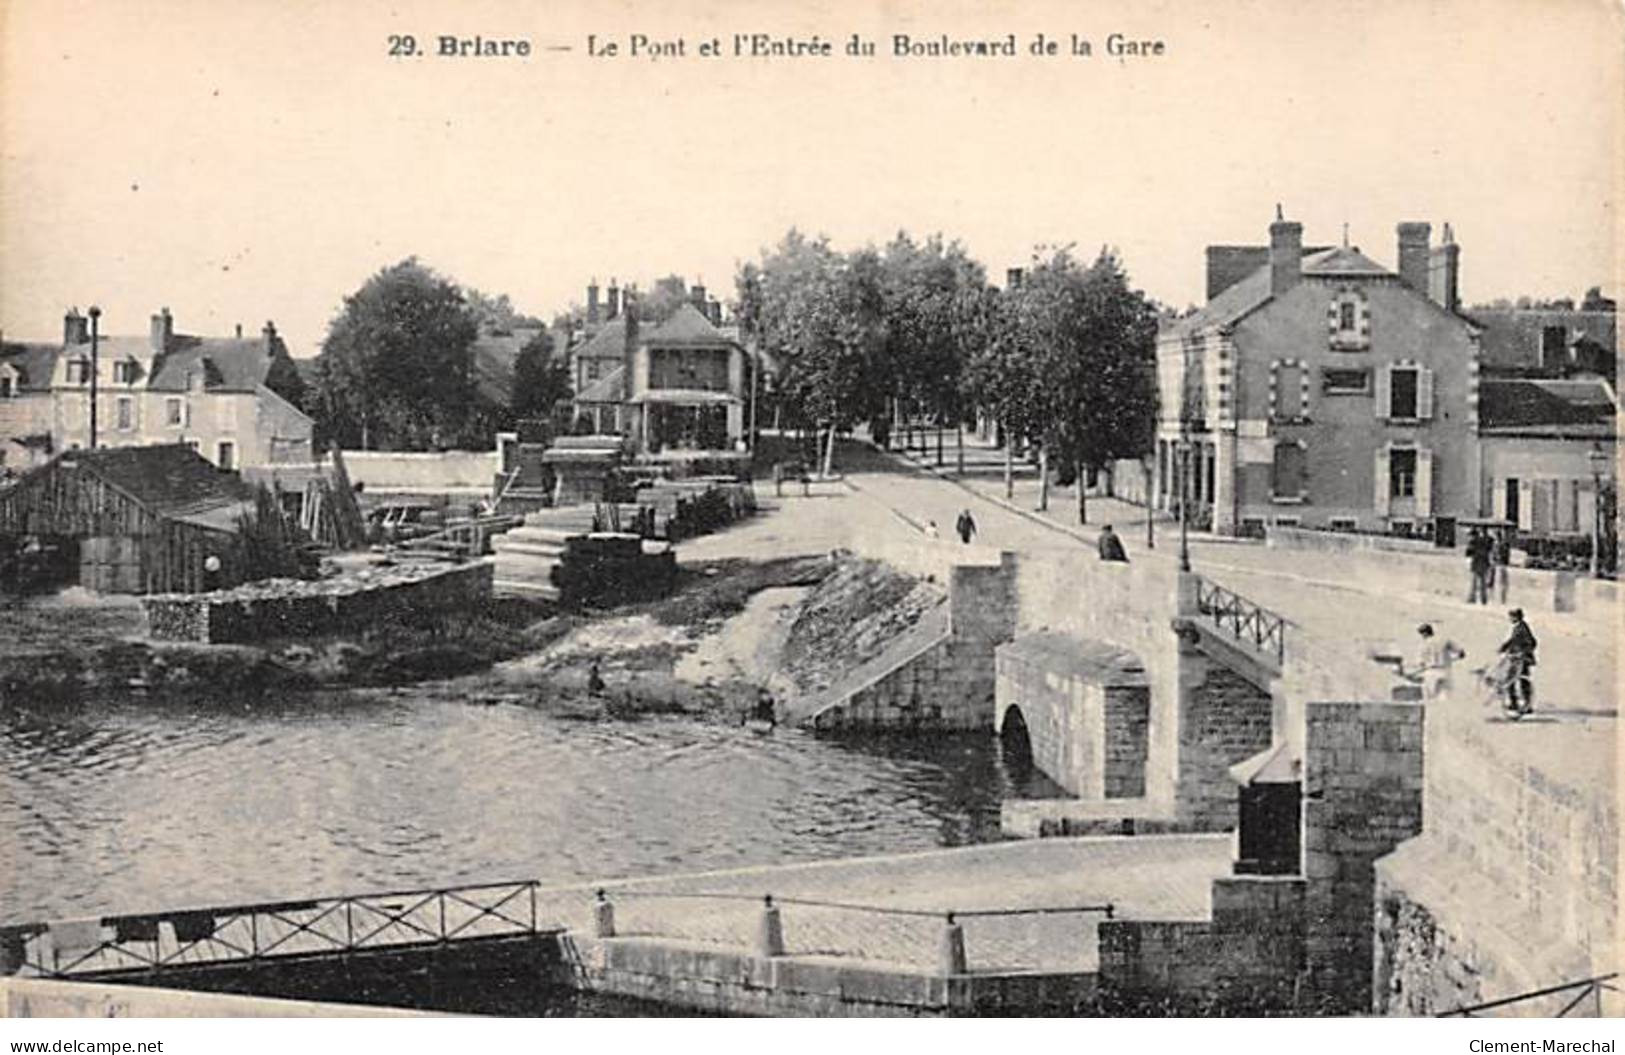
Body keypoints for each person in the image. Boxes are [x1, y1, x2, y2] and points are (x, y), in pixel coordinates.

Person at [1407, 623, 1465, 700]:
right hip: (1445, 671)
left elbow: (1421, 663)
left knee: (1431, 699)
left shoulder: (1423, 645)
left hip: (1431, 673)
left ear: (1424, 634)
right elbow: (1461, 652)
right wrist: (1458, 656)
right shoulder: (1444, 640)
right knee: (1446, 698)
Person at [1497, 608, 1538, 718]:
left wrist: (1521, 652)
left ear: (1516, 617)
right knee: (1519, 681)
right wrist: (1505, 648)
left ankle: (1520, 704)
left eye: (1511, 616)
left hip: (1522, 659)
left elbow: (1529, 642)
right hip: (1519, 658)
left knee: (1513, 681)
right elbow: (1514, 640)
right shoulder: (1520, 627)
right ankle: (1523, 704)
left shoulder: (1521, 628)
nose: (1510, 618)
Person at [1467, 528, 1492, 604]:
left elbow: (1469, 552)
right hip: (1483, 564)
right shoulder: (1484, 541)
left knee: (1475, 582)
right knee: (1482, 583)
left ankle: (1473, 598)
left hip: (1477, 564)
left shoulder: (1474, 542)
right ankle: (1483, 599)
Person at [1493, 529, 1512, 604]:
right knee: (1504, 583)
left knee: (1501, 583)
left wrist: (1496, 558)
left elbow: (1497, 555)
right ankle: (1502, 599)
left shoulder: (1498, 545)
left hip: (1500, 565)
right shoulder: (1502, 544)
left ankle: (1501, 599)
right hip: (1502, 565)